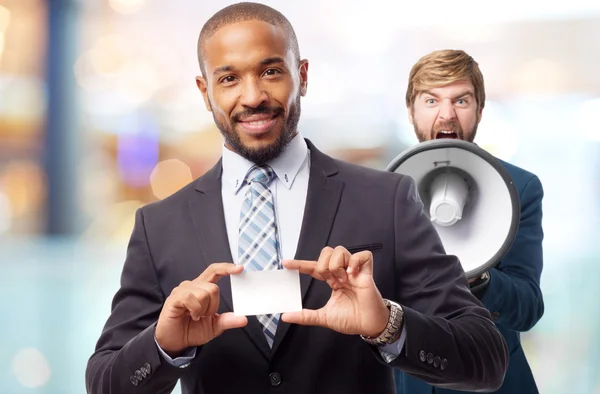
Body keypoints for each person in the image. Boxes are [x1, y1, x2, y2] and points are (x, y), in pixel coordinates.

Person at [85, 5, 509, 394]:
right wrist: (163, 346)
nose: (252, 96)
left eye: (270, 72)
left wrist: (387, 324)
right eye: (229, 78)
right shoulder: (158, 226)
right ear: (205, 90)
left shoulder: (388, 199)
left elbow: (485, 358)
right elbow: (105, 383)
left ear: (302, 75)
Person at [394, 49, 545, 394]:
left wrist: (479, 275)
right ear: (411, 111)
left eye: (460, 101)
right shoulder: (379, 190)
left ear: (479, 110)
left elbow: (527, 308)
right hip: (409, 383)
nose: (446, 116)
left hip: (495, 382)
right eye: (431, 100)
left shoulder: (519, 189)